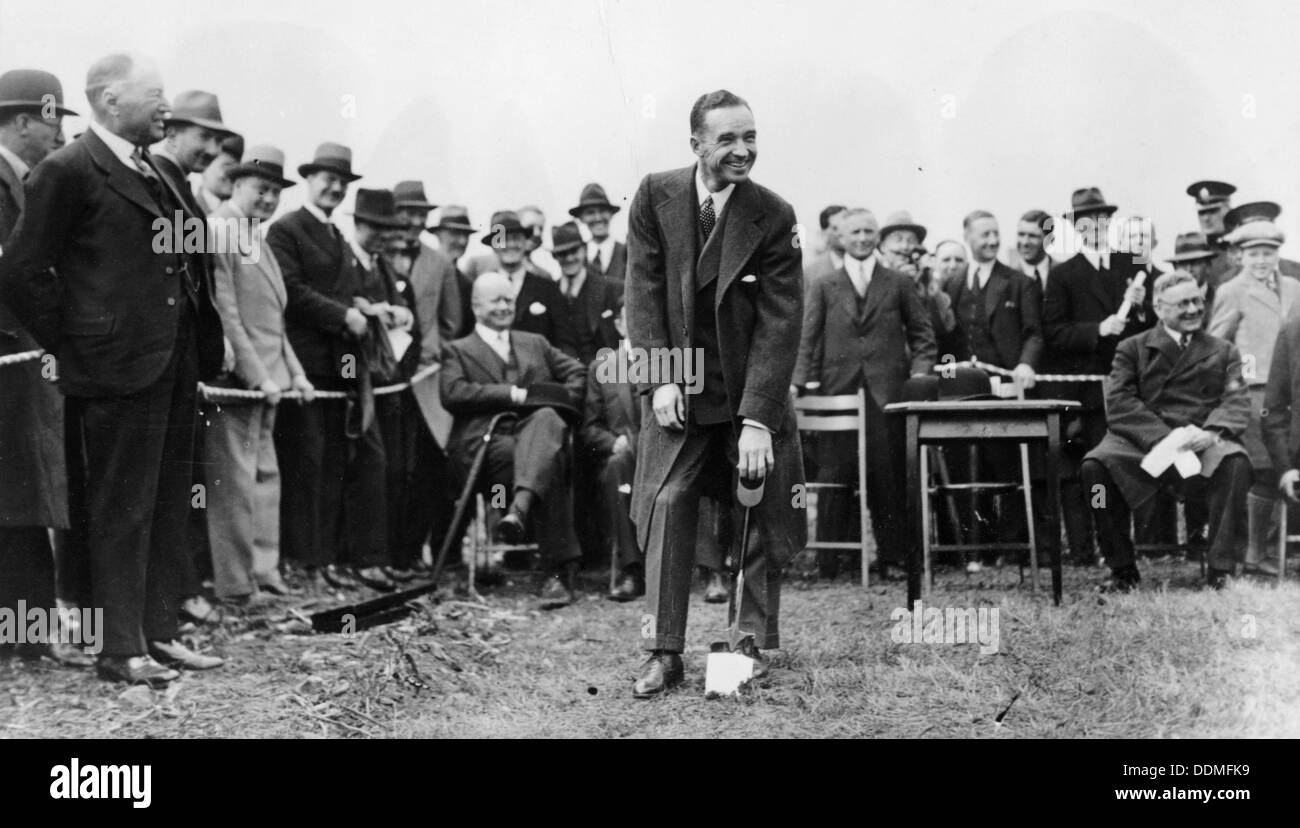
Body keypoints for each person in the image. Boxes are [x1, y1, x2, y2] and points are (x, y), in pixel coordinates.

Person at [0, 53, 227, 685]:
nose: (165, 107)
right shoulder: (68, 170)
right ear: (107, 99)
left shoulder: (155, 168)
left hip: (173, 363)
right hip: (115, 367)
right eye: (154, 94)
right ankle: (119, 647)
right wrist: (74, 343)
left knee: (163, 503)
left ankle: (159, 632)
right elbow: (20, 269)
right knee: (120, 507)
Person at [625, 89, 805, 697]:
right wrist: (660, 378)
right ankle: (662, 650)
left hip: (748, 395)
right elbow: (643, 292)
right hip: (681, 389)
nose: (742, 150)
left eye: (750, 137)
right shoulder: (655, 195)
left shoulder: (774, 215)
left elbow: (781, 323)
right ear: (696, 143)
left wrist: (759, 419)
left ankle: (745, 644)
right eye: (727, 139)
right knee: (669, 501)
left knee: (754, 503)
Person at [0, 67, 91, 667]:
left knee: (26, 497)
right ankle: (20, 636)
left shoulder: (30, 183)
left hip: (25, 360)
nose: (62, 135)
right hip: (9, 355)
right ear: (25, 120)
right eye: (56, 119)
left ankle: (24, 634)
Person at [267, 142, 388, 592]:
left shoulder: (336, 236)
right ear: (309, 180)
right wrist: (344, 316)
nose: (334, 188)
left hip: (342, 366)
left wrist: (370, 309)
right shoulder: (287, 230)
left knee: (335, 461)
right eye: (327, 179)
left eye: (342, 182)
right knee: (306, 461)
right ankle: (304, 560)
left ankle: (327, 558)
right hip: (305, 364)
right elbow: (292, 292)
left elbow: (346, 291)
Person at [1083, 271, 1251, 591]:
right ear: (1159, 309)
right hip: (1144, 440)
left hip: (1201, 438)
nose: (1192, 310)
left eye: (1197, 301)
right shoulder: (1132, 348)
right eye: (1182, 303)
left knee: (1235, 462)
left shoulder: (1223, 350)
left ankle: (1221, 569)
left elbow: (1236, 400)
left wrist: (1212, 431)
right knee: (1096, 467)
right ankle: (1121, 569)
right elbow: (1119, 401)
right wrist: (1163, 438)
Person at [794, 207, 936, 577]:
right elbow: (807, 340)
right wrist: (799, 385)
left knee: (886, 477)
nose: (861, 239)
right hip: (837, 394)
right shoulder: (825, 284)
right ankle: (830, 562)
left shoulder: (897, 282)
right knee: (835, 474)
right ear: (841, 237)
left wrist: (918, 379)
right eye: (854, 232)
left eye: (868, 232)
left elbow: (923, 338)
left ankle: (892, 559)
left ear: (877, 237)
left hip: (884, 396)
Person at [205, 145, 312, 603]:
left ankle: (265, 571)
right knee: (233, 485)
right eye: (260, 190)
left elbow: (272, 318)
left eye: (275, 193)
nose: (268, 200)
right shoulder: (219, 231)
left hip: (271, 383)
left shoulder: (256, 238)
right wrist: (257, 377)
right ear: (236, 185)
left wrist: (297, 375)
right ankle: (235, 584)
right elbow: (226, 314)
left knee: (266, 476)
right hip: (239, 385)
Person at [441, 272, 586, 608]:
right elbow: (453, 392)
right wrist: (514, 395)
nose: (506, 307)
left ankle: (519, 512)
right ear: (476, 306)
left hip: (535, 436)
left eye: (509, 299)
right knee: (548, 457)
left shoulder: (534, 342)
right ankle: (555, 571)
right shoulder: (458, 350)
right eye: (497, 300)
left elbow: (578, 373)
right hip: (487, 445)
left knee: (549, 421)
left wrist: (557, 399)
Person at [1044, 187, 1155, 564]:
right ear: (1076, 227)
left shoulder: (1131, 264)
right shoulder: (1063, 275)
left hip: (1132, 388)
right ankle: (1113, 552)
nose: (1095, 227)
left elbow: (1152, 325)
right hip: (1091, 393)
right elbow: (1054, 333)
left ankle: (1141, 546)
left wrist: (1139, 311)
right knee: (1098, 471)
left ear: (1110, 223)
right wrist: (1096, 329)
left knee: (1133, 467)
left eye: (1102, 219)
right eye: (1085, 221)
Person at [1208, 218, 1297, 575]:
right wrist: (1235, 383)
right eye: (1254, 254)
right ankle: (1254, 552)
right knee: (1263, 469)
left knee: (1286, 467)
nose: (1262, 261)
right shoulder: (1232, 290)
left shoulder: (1293, 286)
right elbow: (1217, 345)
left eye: (1269, 253)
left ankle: (1274, 546)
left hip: (1292, 391)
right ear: (1240, 256)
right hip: (1256, 391)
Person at [477, 209, 574, 353]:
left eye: (516, 238)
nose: (510, 245)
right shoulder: (482, 288)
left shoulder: (548, 288)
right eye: (502, 239)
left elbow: (565, 342)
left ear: (524, 242)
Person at [571, 183, 627, 289]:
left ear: (611, 214)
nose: (598, 218)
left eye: (602, 211)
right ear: (581, 218)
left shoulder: (627, 252)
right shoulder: (576, 255)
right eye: (590, 213)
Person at [194, 133, 243, 214]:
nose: (233, 174)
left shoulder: (239, 215)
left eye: (238, 169)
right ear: (205, 167)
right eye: (227, 166)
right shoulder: (185, 208)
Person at [804, 204, 846, 285]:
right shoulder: (812, 272)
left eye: (847, 226)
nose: (843, 232)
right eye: (835, 228)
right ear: (824, 233)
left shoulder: (873, 264)